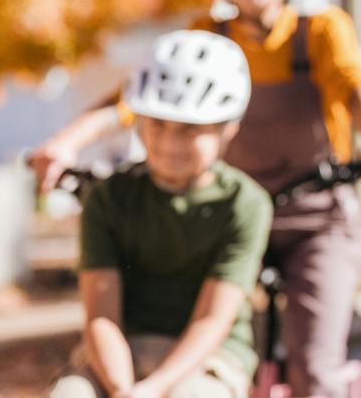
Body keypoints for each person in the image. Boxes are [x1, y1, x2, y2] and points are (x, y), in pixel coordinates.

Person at [32, 0, 361, 398]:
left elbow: (355, 84)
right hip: (230, 216)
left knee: (314, 368)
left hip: (314, 221)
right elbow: (142, 98)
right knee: (205, 346)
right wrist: (67, 141)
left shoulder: (319, 31)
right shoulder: (206, 38)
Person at [52, 29, 270, 398]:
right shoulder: (107, 198)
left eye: (190, 130)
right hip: (122, 351)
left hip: (211, 358)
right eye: (157, 125)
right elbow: (101, 317)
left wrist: (153, 390)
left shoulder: (246, 204)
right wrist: (123, 390)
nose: (169, 144)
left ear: (227, 129)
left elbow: (212, 318)